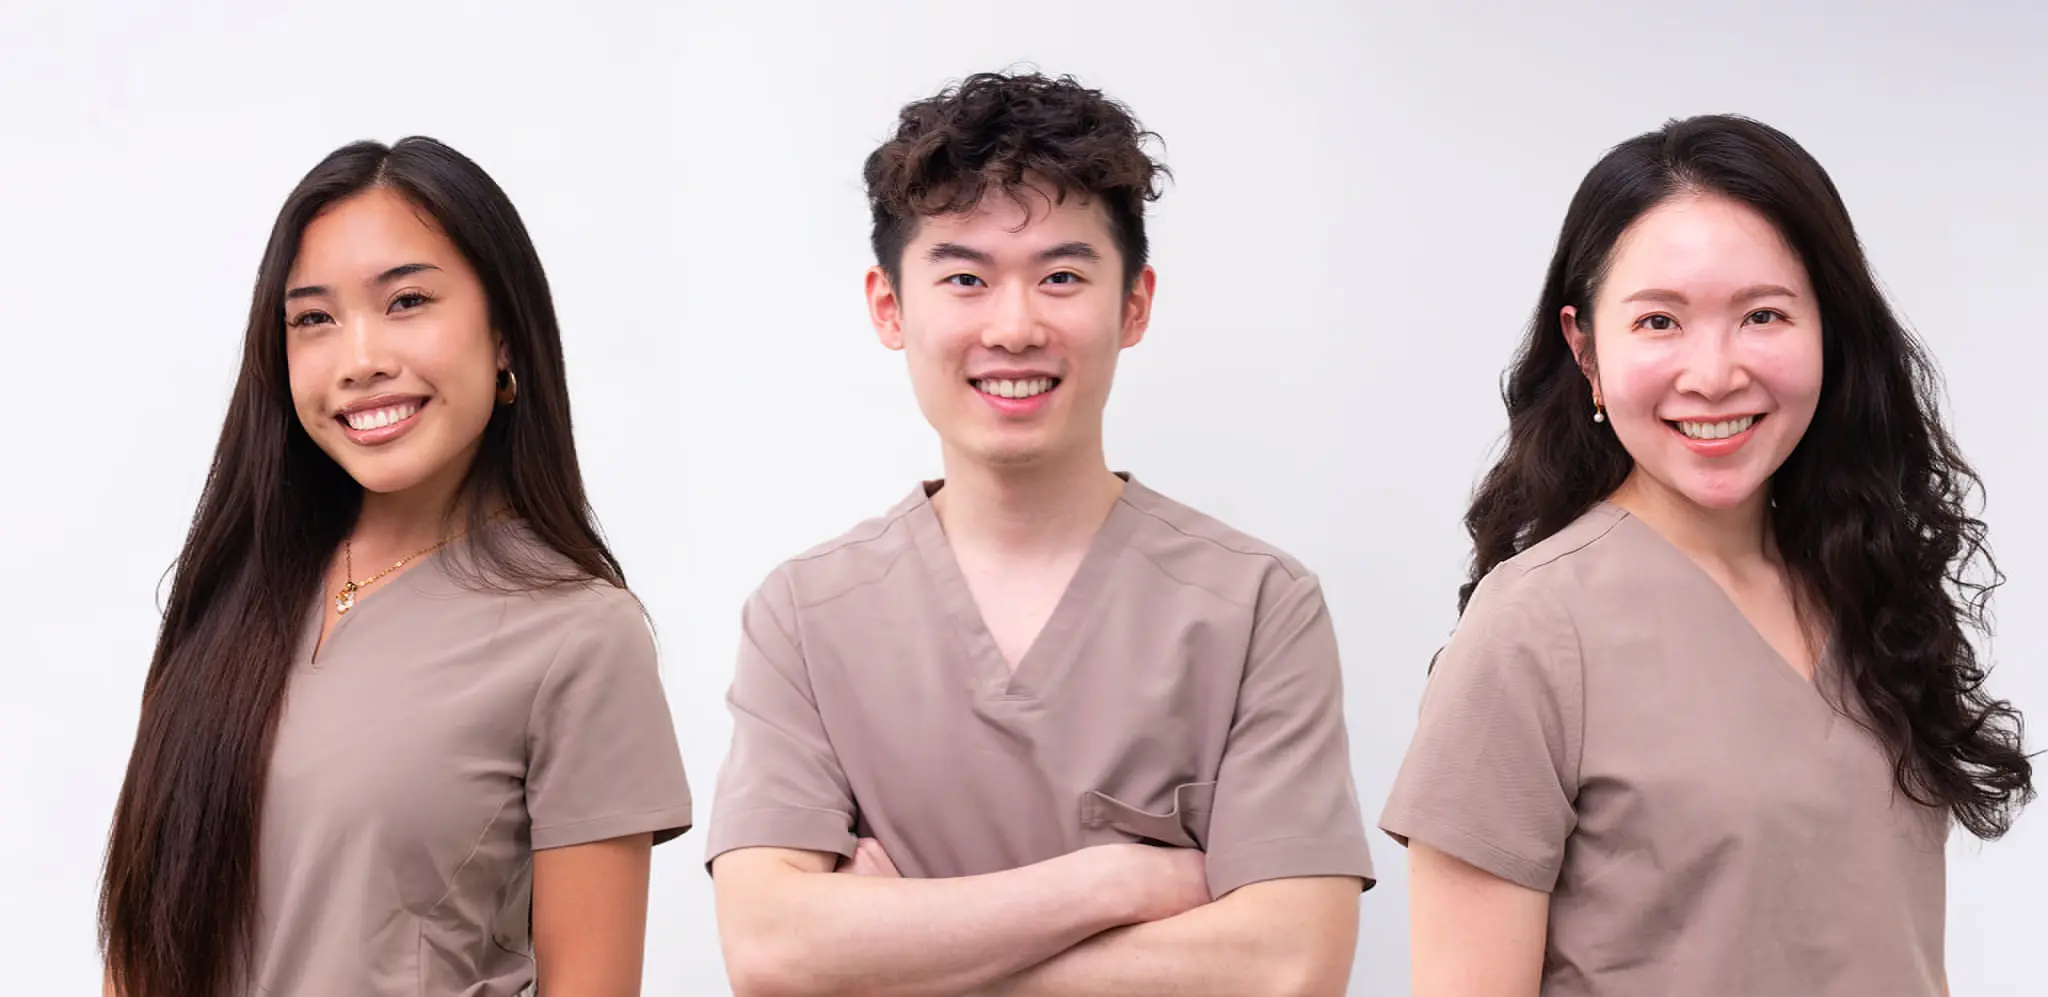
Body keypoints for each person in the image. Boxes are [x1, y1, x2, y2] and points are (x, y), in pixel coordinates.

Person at [704, 71, 1374, 996]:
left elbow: (1292, 963)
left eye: (1061, 277)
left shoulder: (1257, 605)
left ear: (1133, 304)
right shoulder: (806, 616)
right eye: (966, 279)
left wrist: (899, 954)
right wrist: (1114, 880)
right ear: (889, 306)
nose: (1014, 327)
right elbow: (773, 952)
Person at [1380, 114, 2035, 996]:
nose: (1715, 373)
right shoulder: (1534, 628)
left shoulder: (1866, 585)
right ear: (1586, 350)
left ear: (1829, 332)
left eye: (1762, 314)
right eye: (1659, 321)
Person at [97, 137, 693, 997]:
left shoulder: (579, 633)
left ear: (504, 335)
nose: (360, 358)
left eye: (407, 300)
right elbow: (146, 938)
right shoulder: (232, 591)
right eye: (314, 318)